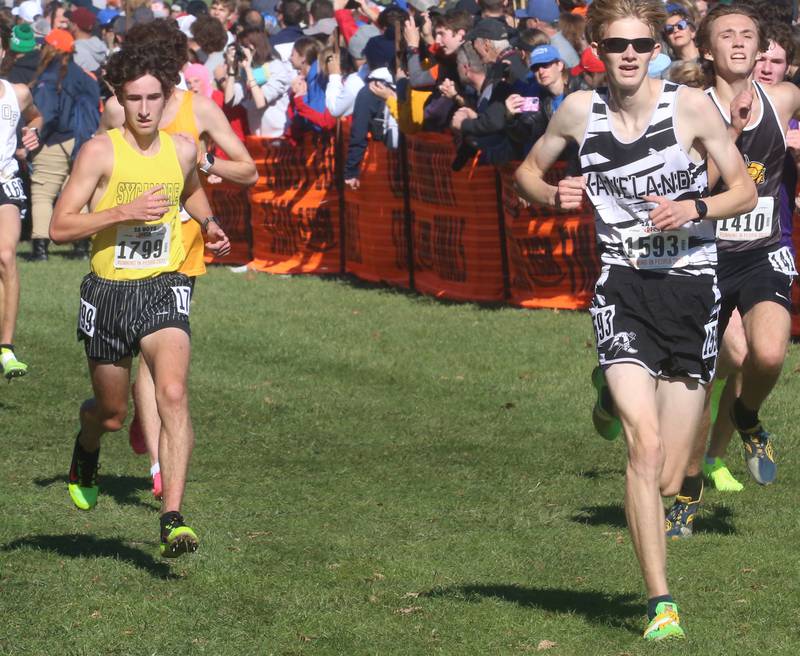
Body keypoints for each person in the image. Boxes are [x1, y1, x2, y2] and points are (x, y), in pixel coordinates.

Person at [514, 0, 756, 640]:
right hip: (621, 287)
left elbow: (744, 189)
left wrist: (694, 207)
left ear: (655, 48)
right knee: (642, 450)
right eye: (617, 43)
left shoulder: (691, 107)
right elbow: (527, 175)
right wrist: (552, 193)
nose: (629, 54)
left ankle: (606, 388)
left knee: (674, 472)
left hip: (691, 291)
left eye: (641, 44)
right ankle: (661, 602)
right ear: (596, 46)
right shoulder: (577, 112)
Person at [50, 45, 231, 558]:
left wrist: (210, 223)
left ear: (168, 97)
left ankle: (172, 517)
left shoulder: (180, 147)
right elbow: (59, 227)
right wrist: (122, 211)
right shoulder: (99, 152)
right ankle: (87, 447)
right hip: (108, 293)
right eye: (135, 99)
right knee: (110, 412)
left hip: (162, 286)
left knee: (172, 392)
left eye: (155, 97)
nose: (146, 109)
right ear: (120, 100)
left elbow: (190, 188)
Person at [100, 20, 257, 499]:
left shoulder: (199, 109)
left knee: (159, 364)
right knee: (138, 363)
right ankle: (150, 447)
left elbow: (247, 170)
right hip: (124, 253)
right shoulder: (115, 109)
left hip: (182, 248)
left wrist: (203, 163)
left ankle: (156, 462)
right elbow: (101, 167)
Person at [665, 8, 800, 532]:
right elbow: (686, 185)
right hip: (703, 258)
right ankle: (690, 487)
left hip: (763, 249)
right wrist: (733, 134)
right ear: (706, 49)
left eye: (748, 35)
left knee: (767, 353)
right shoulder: (689, 107)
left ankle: (746, 416)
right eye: (727, 35)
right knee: (700, 380)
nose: (741, 43)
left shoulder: (783, 97)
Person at [28, 29, 100, 262]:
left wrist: (33, 140)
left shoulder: (50, 75)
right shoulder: (85, 76)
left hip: (55, 140)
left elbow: (47, 114)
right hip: (85, 141)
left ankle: (40, 250)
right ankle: (81, 246)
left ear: (51, 48)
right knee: (80, 193)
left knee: (42, 193)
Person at [0, 24, 41, 379]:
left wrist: (32, 133)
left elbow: (36, 117)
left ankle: (6, 349)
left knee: (6, 255)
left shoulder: (18, 93)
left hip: (6, 181)